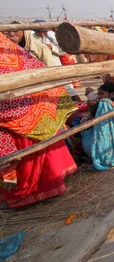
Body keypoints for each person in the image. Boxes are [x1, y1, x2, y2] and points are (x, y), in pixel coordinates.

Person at [0, 33, 78, 208]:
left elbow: (49, 67)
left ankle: (36, 190)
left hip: (30, 104)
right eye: (10, 32)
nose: (12, 34)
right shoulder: (17, 50)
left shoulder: (26, 51)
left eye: (16, 32)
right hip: (17, 111)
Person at [81, 82, 114, 170]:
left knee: (84, 127)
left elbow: (84, 124)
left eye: (101, 93)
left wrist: (84, 118)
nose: (99, 96)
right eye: (98, 94)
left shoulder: (101, 106)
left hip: (97, 150)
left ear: (111, 94)